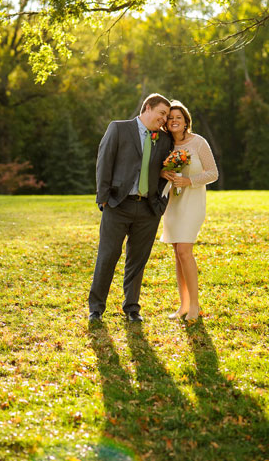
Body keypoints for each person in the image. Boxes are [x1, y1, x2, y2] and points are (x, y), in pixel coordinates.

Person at [88, 93, 173, 323]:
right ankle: (96, 308)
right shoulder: (118, 129)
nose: (164, 119)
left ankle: (132, 308)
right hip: (118, 204)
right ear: (147, 107)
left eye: (166, 115)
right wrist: (103, 198)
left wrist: (160, 203)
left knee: (138, 260)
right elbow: (104, 162)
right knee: (107, 256)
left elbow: (168, 170)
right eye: (162, 113)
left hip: (148, 209)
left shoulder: (164, 140)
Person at [160, 101, 219, 322]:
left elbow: (213, 173)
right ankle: (183, 305)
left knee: (185, 250)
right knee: (178, 254)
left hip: (192, 202)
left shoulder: (198, 143)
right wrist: (164, 174)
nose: (174, 120)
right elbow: (158, 170)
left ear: (186, 121)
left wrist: (189, 180)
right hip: (172, 204)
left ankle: (194, 305)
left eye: (178, 117)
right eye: (170, 117)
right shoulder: (164, 145)